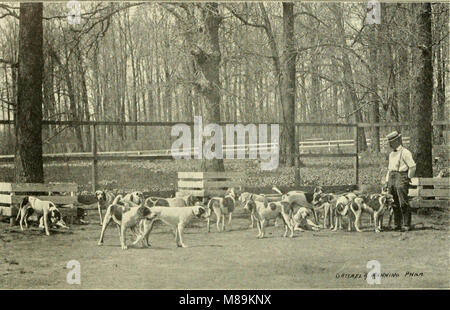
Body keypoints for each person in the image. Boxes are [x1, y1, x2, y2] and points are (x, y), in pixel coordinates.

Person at [383, 131, 416, 232]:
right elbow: (389, 169)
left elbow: (412, 166)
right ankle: (397, 224)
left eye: (392, 142)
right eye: (389, 142)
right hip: (392, 177)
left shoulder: (405, 152)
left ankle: (406, 224)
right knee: (394, 202)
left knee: (403, 202)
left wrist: (408, 178)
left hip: (401, 176)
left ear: (398, 141)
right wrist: (387, 181)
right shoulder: (391, 154)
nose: (390, 144)